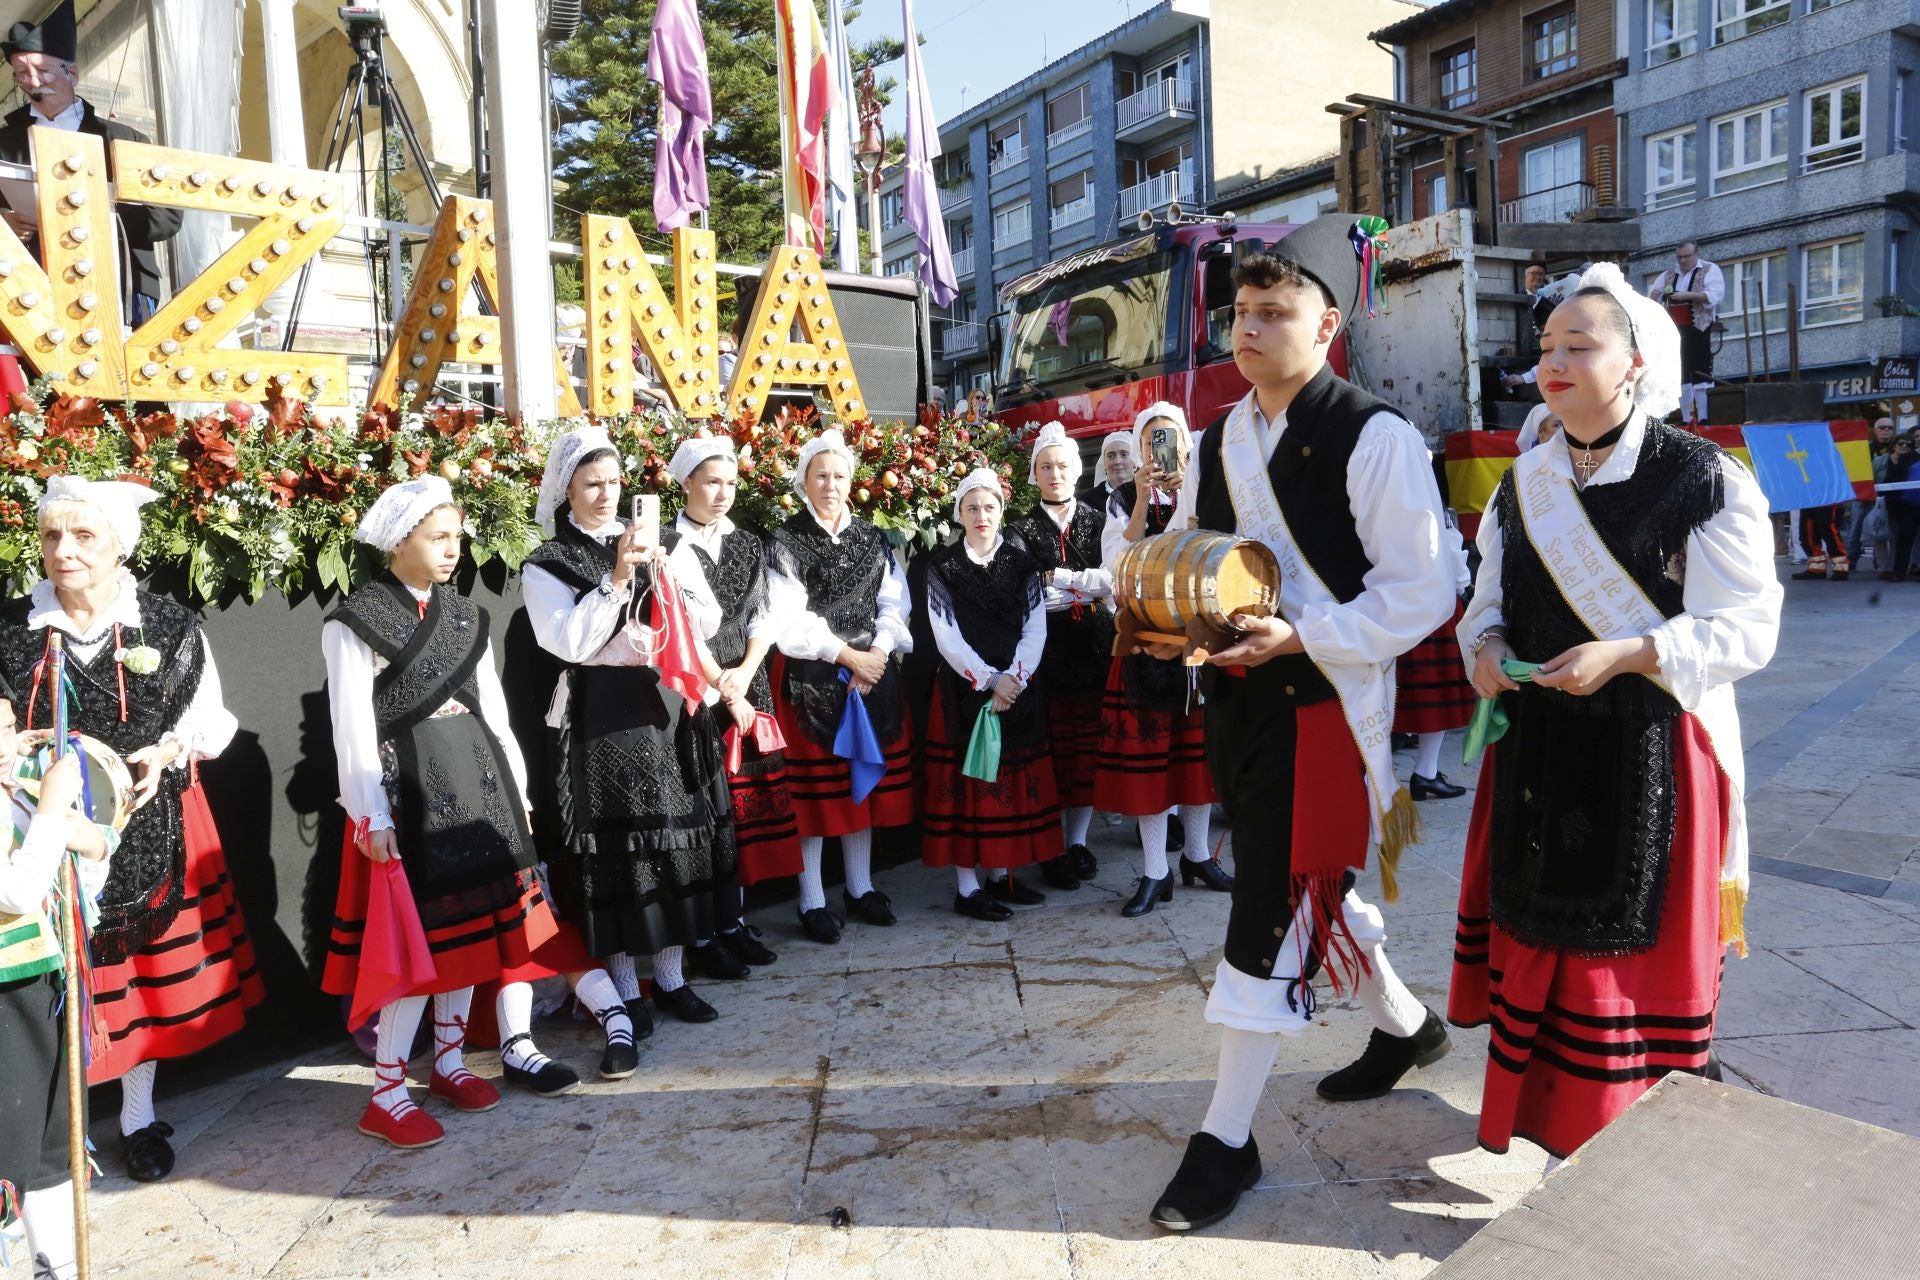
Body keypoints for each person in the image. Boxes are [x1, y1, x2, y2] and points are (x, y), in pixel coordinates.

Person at [1141, 213, 1458, 1234]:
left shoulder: (1378, 436)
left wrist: (1301, 632)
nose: (1252, 328)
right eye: (1241, 311)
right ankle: (1406, 1026)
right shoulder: (1222, 434)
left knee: (1269, 901)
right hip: (1243, 694)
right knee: (1316, 882)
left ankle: (1226, 1136)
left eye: (1276, 311)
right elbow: (1209, 555)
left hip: (1324, 704)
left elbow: (1427, 592)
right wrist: (1181, 624)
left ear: (1329, 324)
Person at [1452, 262, 1782, 1162]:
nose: (1553, 362)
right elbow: (1486, 599)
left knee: (1619, 964)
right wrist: (1480, 648)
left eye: (1580, 345)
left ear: (1636, 364)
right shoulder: (1523, 485)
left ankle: (1630, 1144)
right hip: (1538, 749)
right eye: (1548, 347)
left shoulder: (1702, 478)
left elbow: (1747, 629)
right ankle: (1547, 1124)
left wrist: (1631, 652)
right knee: (1541, 939)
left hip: (1650, 752)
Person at [0, 476, 262, 1183]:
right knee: (61, 983)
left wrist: (169, 750)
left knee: (137, 983)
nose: (65, 551)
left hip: (150, 823)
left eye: (85, 536)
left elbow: (208, 719)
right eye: (54, 536)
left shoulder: (168, 625)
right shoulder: (12, 630)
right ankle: (64, 1136)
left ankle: (138, 1118)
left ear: (121, 548)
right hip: (42, 833)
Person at [321, 477, 564, 1149]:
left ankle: (451, 1062)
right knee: (418, 947)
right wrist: (370, 813)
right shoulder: (355, 619)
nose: (453, 549)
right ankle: (388, 1091)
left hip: (479, 787)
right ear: (399, 541)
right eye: (438, 537)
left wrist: (518, 790)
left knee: (473, 938)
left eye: (457, 536)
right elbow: (352, 726)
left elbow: (495, 710)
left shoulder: (466, 616)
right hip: (408, 795)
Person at [522, 429, 747, 1027]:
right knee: (618, 851)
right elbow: (565, 641)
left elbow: (707, 620)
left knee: (676, 844)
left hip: (666, 708)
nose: (604, 494)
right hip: (601, 717)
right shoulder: (547, 562)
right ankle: (625, 987)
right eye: (591, 483)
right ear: (566, 487)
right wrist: (618, 577)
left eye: (614, 482)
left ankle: (671, 978)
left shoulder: (663, 542)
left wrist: (666, 570)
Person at [766, 429, 916, 943]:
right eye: (821, 475)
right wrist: (846, 654)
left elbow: (894, 602)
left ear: (853, 481)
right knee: (814, 797)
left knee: (860, 784)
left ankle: (860, 886)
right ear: (805, 480)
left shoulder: (874, 537)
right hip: (811, 677)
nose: (831, 485)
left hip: (870, 676)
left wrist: (876, 654)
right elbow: (788, 619)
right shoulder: (785, 540)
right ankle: (811, 899)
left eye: (839, 475)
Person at [1097, 403, 1230, 918]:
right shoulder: (1121, 506)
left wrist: (1187, 483)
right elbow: (1118, 562)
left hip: (1195, 643)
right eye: (1150, 440)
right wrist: (1141, 497)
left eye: (1169, 438)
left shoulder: (1204, 493)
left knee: (1197, 760)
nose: (1161, 450)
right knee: (1151, 767)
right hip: (1143, 645)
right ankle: (1156, 870)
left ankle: (1197, 857)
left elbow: (1210, 542)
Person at [0, 689, 116, 1280]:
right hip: (1, 1002)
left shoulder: (18, 792)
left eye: (4, 728)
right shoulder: (31, 800)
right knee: (6, 1150)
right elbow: (14, 891)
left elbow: (75, 873)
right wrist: (49, 812)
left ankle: (57, 1270)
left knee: (49, 1145)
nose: (1, 747)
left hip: (42, 984)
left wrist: (90, 841)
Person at [664, 435, 790, 970]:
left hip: (744, 682)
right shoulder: (667, 545)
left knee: (738, 816)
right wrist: (722, 686)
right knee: (703, 816)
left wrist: (744, 675)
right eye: (711, 482)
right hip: (694, 693)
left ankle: (732, 920)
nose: (722, 494)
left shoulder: (748, 543)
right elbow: (679, 631)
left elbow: (763, 618)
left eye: (730, 483)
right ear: (687, 483)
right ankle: (699, 936)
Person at [920, 468, 1061, 919]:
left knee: (1008, 785)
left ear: (1002, 510)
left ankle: (1001, 876)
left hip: (1016, 687)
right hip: (964, 689)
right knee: (969, 787)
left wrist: (1014, 678)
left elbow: (1035, 626)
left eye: (990, 506)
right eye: (972, 507)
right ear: (959, 512)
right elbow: (946, 635)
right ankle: (967, 888)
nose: (982, 515)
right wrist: (987, 679)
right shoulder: (941, 567)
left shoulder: (1024, 565)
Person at [0, 5, 181, 322]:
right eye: (21, 72)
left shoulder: (126, 140)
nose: (31, 81)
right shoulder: (3, 143)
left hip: (120, 281)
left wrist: (99, 210)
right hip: (30, 285)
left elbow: (167, 218)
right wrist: (5, 224)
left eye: (42, 70)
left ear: (73, 73)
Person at [1009, 422, 1113, 886]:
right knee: (1050, 754)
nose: (1055, 473)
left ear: (1077, 469)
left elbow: (1114, 578)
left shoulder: (1100, 519)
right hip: (1045, 655)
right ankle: (1051, 847)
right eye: (1046, 466)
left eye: (1063, 465)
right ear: (1035, 473)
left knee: (1087, 753)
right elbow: (1028, 588)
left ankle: (1078, 841)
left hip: (1095, 649)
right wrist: (1085, 586)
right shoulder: (1021, 528)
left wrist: (1063, 580)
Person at [1393, 504, 1474, 800]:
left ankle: (1372, 778)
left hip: (1391, 609)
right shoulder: (1434, 514)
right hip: (1435, 613)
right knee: (1434, 696)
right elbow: (1460, 576)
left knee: (1391, 696)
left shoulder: (1380, 510)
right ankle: (1425, 772)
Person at [1647, 240, 1724, 425]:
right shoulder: (1668, 274)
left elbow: (1715, 295)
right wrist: (1664, 299)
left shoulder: (1709, 269)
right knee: (1680, 371)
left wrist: (1688, 295)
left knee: (1700, 370)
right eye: (1679, 257)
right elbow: (1652, 296)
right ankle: (1686, 418)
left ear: (1697, 253)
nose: (1682, 261)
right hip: (1674, 329)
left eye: (1686, 256)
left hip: (1699, 326)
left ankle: (1704, 417)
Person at [1884, 432, 1920, 581]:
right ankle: (1899, 571)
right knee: (1904, 537)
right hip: (1908, 505)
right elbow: (1896, 479)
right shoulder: (1908, 457)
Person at [1078, 430, 1135, 510]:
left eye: (1124, 454)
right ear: (1104, 462)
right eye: (1111, 456)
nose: (1117, 461)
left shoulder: (1149, 494)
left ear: (1135, 460)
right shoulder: (1088, 502)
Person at [1793, 503, 1850, 580]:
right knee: (1808, 536)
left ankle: (1841, 569)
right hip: (1809, 502)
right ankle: (1817, 568)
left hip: (1828, 501)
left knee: (1830, 535)